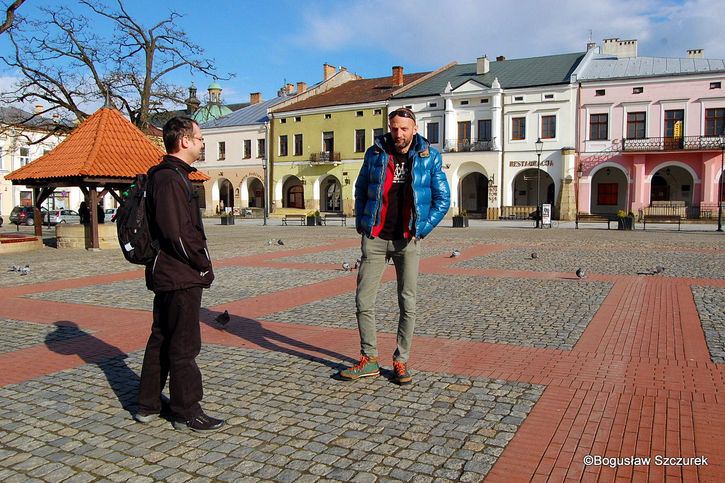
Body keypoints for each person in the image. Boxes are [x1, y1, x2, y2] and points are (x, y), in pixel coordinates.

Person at [339, 107, 450, 385]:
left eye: (404, 128)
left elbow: (443, 199)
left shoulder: (429, 157)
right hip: (376, 237)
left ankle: (401, 361)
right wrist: (363, 224)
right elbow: (361, 189)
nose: (398, 134)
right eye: (394, 128)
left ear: (414, 128)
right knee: (364, 299)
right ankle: (369, 359)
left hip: (407, 239)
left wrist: (422, 229)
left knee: (407, 301)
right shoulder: (375, 153)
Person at [135, 116, 224, 432]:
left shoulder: (166, 176)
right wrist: (201, 264)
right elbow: (178, 232)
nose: (202, 143)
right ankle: (187, 410)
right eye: (199, 138)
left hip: (169, 272)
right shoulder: (171, 179)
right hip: (179, 273)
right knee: (183, 343)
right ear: (184, 140)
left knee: (162, 336)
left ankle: (148, 404)